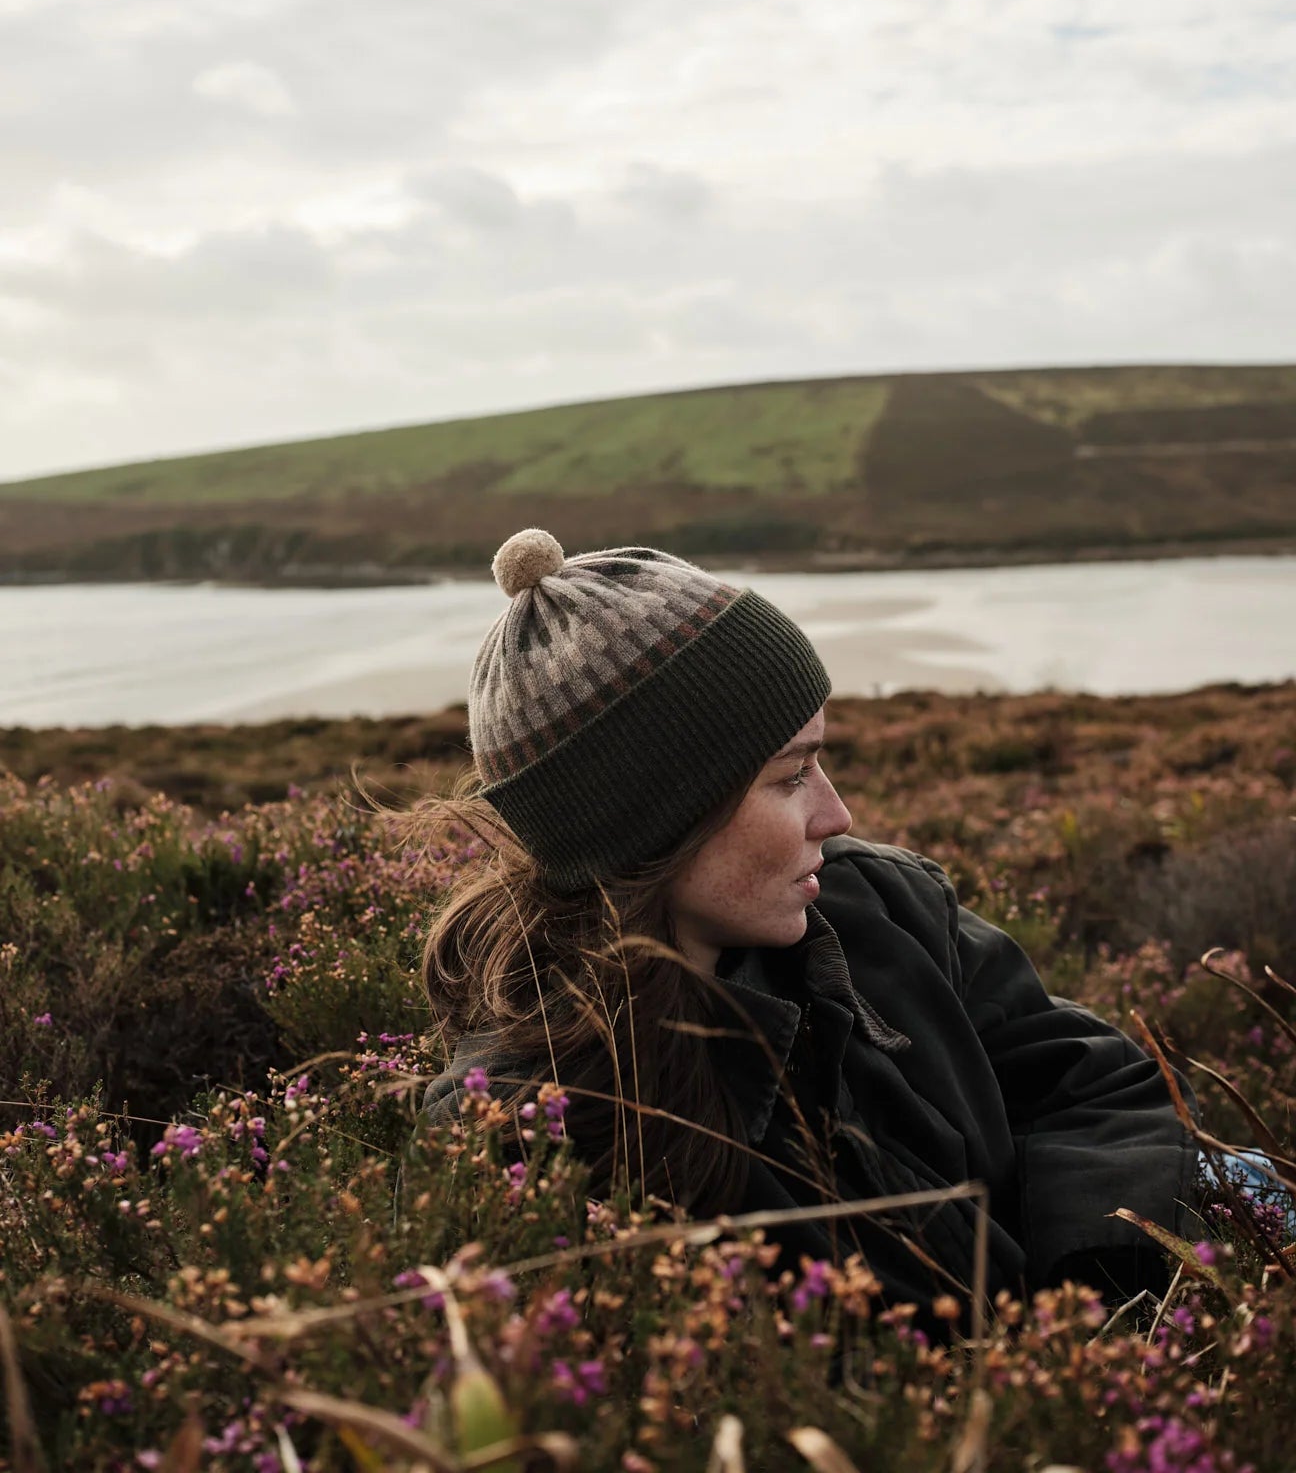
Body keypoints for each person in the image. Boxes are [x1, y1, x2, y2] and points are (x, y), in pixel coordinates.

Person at [412, 528, 1199, 1321]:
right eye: (791, 776)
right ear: (652, 826)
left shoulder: (880, 902)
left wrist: (1099, 1302)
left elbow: (1088, 1080)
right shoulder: (530, 1129)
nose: (838, 813)